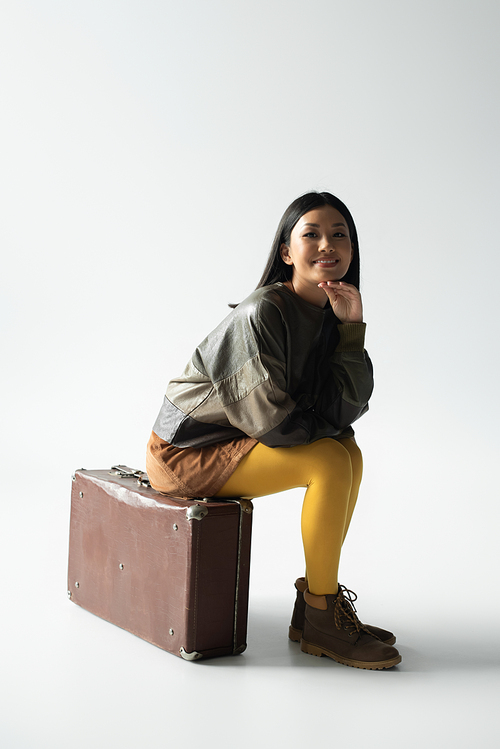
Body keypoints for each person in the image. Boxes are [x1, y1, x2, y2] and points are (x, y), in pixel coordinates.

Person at [147, 191, 401, 670]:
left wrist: (352, 331)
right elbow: (276, 424)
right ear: (287, 252)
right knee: (330, 458)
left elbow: (344, 409)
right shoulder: (261, 312)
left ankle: (314, 611)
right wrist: (328, 429)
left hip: (242, 440)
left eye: (339, 234)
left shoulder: (331, 312)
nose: (328, 245)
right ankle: (323, 615)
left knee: (349, 451)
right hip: (185, 455)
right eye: (311, 234)